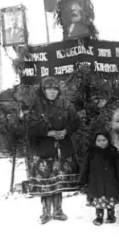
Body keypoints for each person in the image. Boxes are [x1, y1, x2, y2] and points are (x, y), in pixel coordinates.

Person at [27, 77, 81, 224]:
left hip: (61, 148)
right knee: (45, 180)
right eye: (49, 88)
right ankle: (45, 212)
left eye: (55, 88)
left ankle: (58, 210)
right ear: (43, 90)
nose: (52, 91)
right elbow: (30, 126)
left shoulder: (65, 105)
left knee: (58, 180)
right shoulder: (36, 106)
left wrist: (66, 131)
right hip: (43, 149)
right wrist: (47, 132)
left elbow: (76, 121)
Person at [79, 132, 119, 226]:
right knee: (99, 199)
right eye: (99, 140)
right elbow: (85, 167)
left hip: (111, 181)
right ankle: (99, 216)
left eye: (104, 140)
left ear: (108, 140)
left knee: (110, 199)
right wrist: (82, 180)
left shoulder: (113, 150)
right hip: (96, 182)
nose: (102, 143)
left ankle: (111, 215)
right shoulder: (91, 152)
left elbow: (118, 167)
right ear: (95, 141)